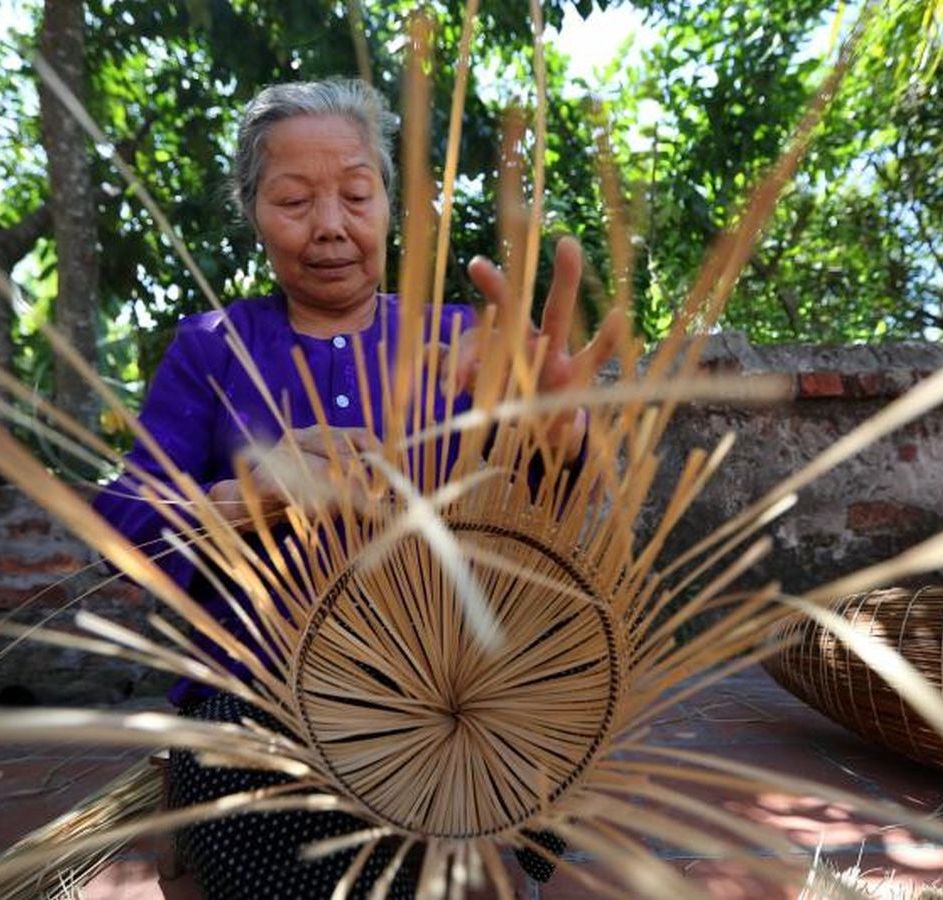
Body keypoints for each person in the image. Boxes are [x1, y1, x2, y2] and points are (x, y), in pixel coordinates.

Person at [95, 78, 623, 899]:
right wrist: (251, 489)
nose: (331, 226)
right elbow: (122, 527)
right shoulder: (210, 349)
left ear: (387, 202)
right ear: (253, 211)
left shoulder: (462, 339)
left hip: (456, 691)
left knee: (484, 842)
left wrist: (562, 437)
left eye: (354, 193)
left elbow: (561, 505)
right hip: (259, 701)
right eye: (295, 200)